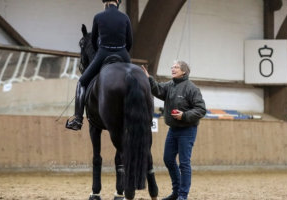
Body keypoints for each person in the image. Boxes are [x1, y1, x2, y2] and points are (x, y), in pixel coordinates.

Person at [141, 61, 206, 200]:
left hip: (187, 130)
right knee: (168, 159)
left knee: (184, 163)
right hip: (173, 130)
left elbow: (201, 109)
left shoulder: (192, 88)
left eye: (176, 67)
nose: (173, 69)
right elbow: (158, 89)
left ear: (184, 71)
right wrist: (149, 78)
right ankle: (176, 192)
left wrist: (184, 115)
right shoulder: (170, 85)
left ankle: (183, 195)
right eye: (172, 67)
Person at [66, 0, 133, 131]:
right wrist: (123, 52)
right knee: (135, 81)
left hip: (103, 52)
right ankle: (144, 117)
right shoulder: (125, 17)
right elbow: (130, 41)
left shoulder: (98, 17)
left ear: (105, 2)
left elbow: (93, 39)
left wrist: (100, 52)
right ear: (117, 2)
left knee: (82, 82)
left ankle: (78, 119)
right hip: (123, 53)